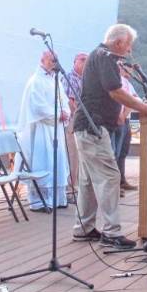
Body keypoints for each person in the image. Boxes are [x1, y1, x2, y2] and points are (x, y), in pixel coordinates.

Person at [71, 24, 147, 249]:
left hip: (87, 127)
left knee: (88, 180)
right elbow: (115, 91)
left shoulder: (99, 55)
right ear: (119, 42)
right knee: (110, 176)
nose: (129, 50)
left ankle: (83, 228)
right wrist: (146, 108)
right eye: (128, 45)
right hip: (93, 128)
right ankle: (111, 232)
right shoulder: (107, 57)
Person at [16, 50, 70, 211]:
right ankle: (39, 201)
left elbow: (64, 100)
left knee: (58, 162)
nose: (54, 64)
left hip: (57, 129)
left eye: (56, 61)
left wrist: (65, 112)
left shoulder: (56, 80)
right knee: (43, 161)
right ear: (43, 60)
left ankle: (58, 199)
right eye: (52, 60)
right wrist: (57, 114)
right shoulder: (35, 81)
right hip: (42, 129)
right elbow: (37, 107)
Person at [112, 65, 140, 196]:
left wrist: (126, 113)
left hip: (126, 119)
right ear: (120, 68)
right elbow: (116, 98)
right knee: (115, 153)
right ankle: (114, 185)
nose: (130, 72)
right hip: (117, 120)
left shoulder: (127, 82)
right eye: (128, 69)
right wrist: (121, 114)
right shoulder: (115, 80)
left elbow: (134, 99)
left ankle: (122, 180)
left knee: (123, 152)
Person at [64, 52, 87, 192]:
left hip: (83, 120)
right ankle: (71, 187)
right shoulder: (69, 78)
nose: (85, 62)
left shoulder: (86, 79)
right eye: (82, 60)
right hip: (73, 120)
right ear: (74, 62)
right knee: (72, 154)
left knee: (80, 155)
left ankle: (77, 185)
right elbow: (70, 102)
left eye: (87, 60)